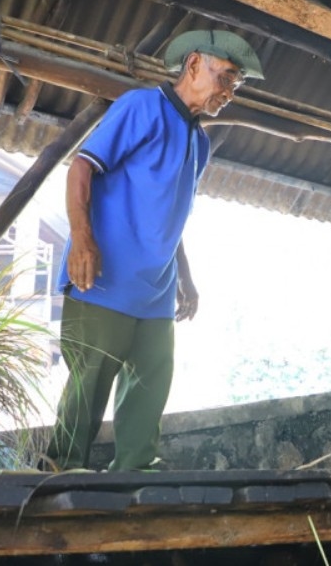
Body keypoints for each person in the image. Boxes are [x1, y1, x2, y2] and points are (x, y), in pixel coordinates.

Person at [41, 30, 264, 472]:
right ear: (195, 64)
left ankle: (134, 474)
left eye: (235, 86)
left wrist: (186, 277)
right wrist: (82, 238)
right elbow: (81, 167)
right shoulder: (141, 107)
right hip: (104, 282)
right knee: (90, 384)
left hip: (156, 293)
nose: (228, 93)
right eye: (226, 79)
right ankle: (60, 473)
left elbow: (171, 213)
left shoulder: (199, 143)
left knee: (151, 385)